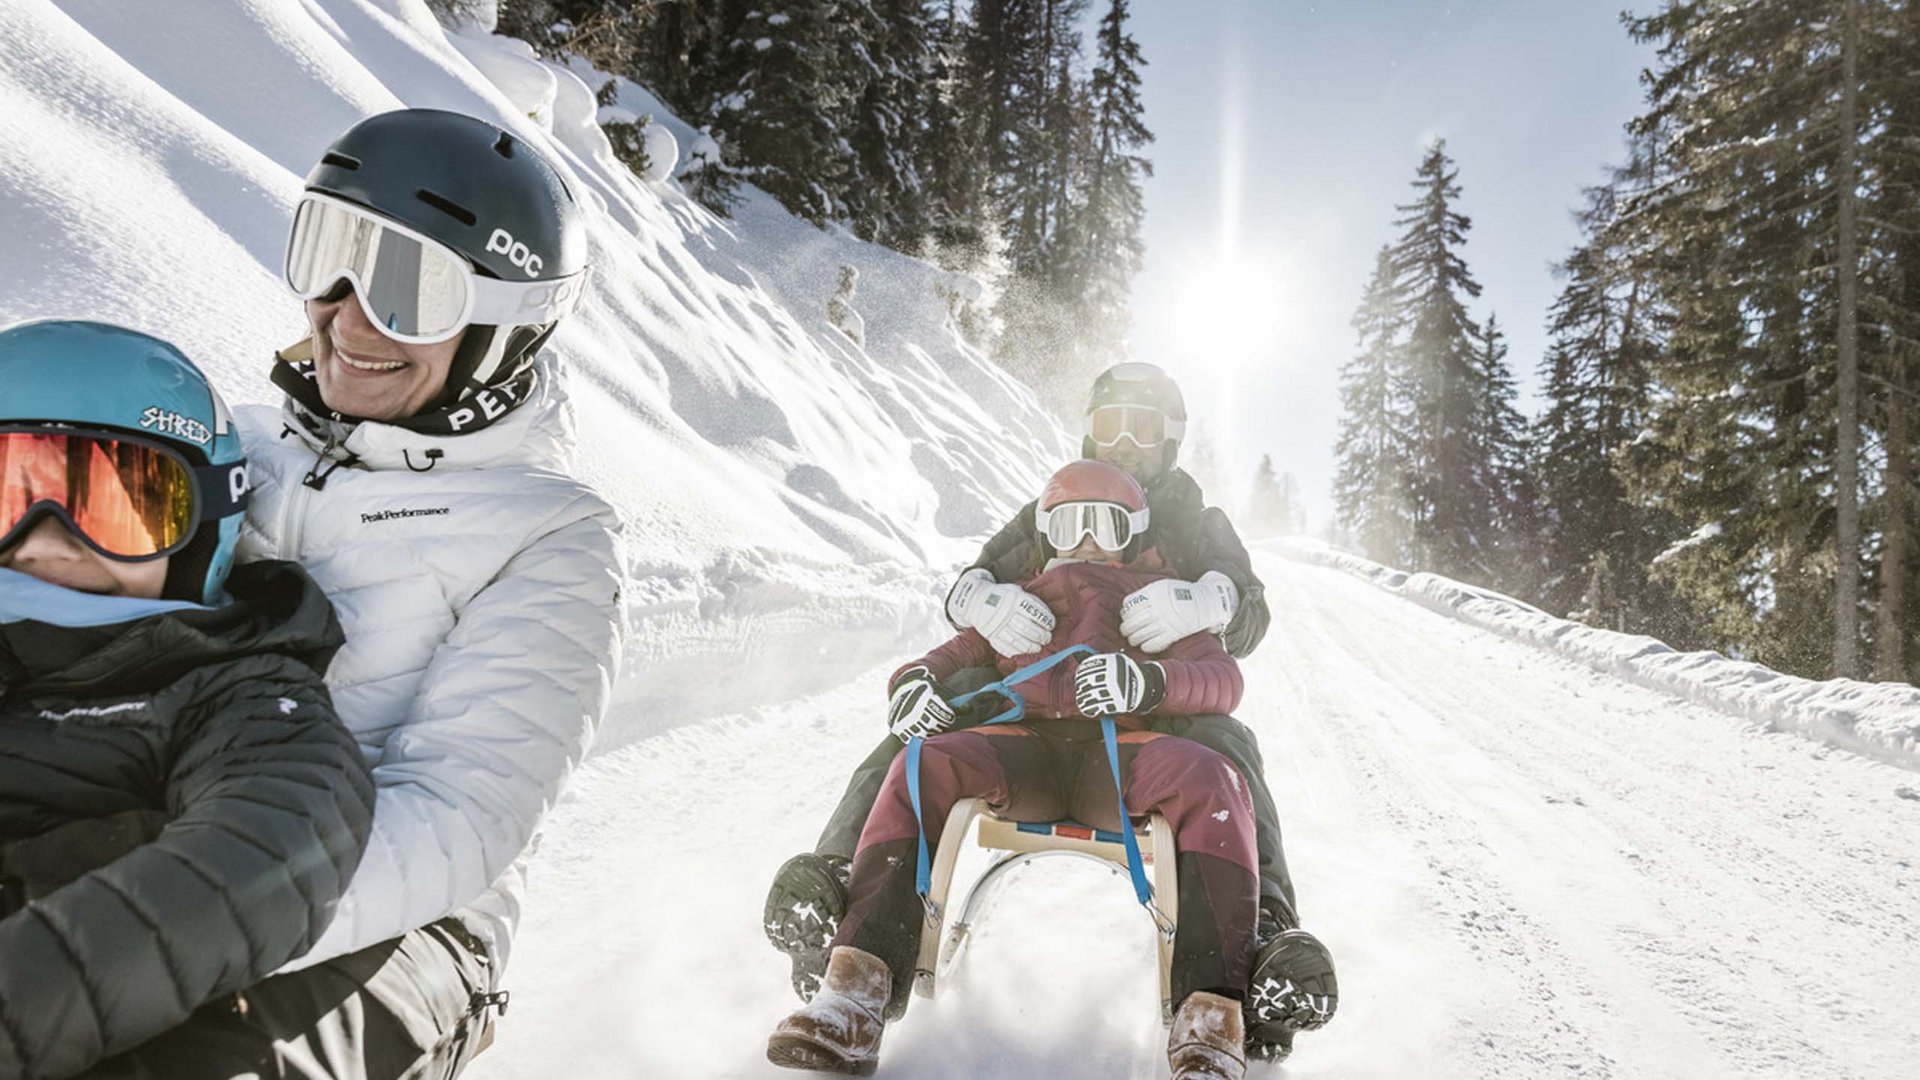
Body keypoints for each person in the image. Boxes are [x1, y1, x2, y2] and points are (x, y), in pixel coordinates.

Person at [78, 107, 624, 1078]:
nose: (348, 314)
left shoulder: (551, 538)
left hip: (401, 926)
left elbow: (460, 814)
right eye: (330, 254)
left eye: (409, 288)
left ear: (505, 326)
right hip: (169, 848)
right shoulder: (230, 446)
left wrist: (202, 919)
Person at [765, 362, 1335, 1060]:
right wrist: (984, 602)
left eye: (1142, 426)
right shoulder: (1057, 501)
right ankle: (843, 904)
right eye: (1107, 424)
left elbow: (1244, 625)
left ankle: (1259, 946)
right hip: (1031, 715)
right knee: (919, 741)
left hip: (1148, 711)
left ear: (1170, 441)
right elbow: (978, 587)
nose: (1123, 440)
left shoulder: (1193, 519)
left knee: (1226, 748)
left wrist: (1204, 605)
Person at [0, 320, 375, 1079]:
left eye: (112, 503)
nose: (46, 541)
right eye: (12, 492)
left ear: (203, 529)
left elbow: (270, 846)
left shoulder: (240, 689)